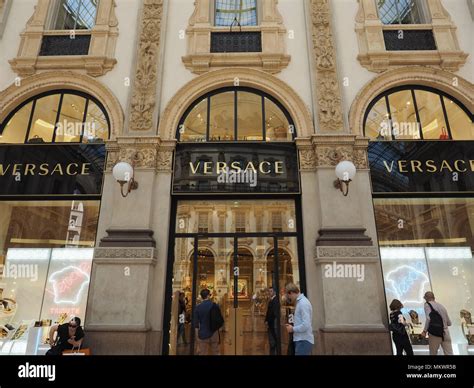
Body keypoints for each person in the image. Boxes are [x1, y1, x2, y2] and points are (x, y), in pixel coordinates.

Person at [284, 283, 314, 356]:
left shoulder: (303, 303)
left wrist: (292, 329)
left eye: (289, 296)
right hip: (301, 340)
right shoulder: (300, 302)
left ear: (291, 293)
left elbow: (306, 325)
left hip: (303, 340)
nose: (290, 299)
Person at [194, 289, 221, 355]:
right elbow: (219, 321)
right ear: (208, 296)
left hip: (203, 333)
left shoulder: (198, 307)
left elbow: (196, 325)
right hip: (214, 332)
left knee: (203, 352)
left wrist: (197, 339)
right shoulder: (215, 305)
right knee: (216, 352)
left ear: (201, 296)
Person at [264, 287, 279, 355]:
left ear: (274, 292)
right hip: (270, 323)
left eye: (271, 291)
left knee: (273, 340)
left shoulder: (275, 300)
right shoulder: (271, 300)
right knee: (271, 340)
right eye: (269, 291)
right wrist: (266, 320)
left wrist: (269, 321)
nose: (269, 293)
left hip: (273, 323)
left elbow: (274, 313)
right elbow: (268, 311)